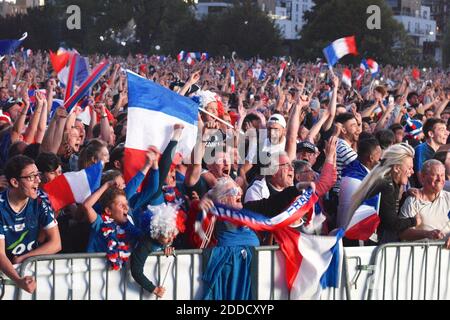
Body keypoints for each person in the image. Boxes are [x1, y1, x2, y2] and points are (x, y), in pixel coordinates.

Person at [0, 155, 61, 293]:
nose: (38, 181)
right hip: (6, 275)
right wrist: (18, 280)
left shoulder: (40, 201)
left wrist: (24, 258)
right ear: (15, 182)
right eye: (31, 177)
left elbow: (56, 243)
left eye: (38, 175)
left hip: (28, 271)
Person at [346, 143, 418, 244]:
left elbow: (388, 211)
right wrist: (414, 221)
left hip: (363, 240)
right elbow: (391, 223)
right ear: (397, 168)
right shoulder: (386, 186)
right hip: (364, 244)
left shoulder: (386, 180)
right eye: (409, 168)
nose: (412, 172)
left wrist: (405, 196)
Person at [130, 203, 185, 298]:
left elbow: (167, 243)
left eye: (173, 235)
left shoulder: (165, 241)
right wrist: (154, 289)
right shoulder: (145, 244)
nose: (171, 239)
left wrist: (167, 247)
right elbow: (136, 271)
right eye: (166, 236)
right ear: (157, 233)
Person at [399, 160, 450, 248]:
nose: (440, 179)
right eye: (435, 175)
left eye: (442, 175)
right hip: (420, 257)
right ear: (422, 177)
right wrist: (427, 234)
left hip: (446, 258)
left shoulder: (448, 198)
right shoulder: (412, 201)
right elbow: (403, 232)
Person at [413, 118, 449, 186]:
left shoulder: (442, 151)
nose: (447, 133)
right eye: (442, 130)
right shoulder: (421, 149)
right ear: (431, 134)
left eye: (446, 129)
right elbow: (421, 179)